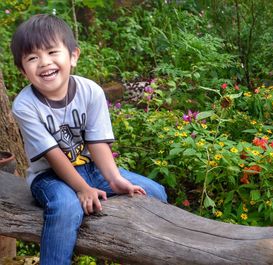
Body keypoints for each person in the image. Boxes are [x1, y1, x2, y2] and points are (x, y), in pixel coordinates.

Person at [10, 14, 167, 265]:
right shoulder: (25, 105)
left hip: (90, 169)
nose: (44, 62)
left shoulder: (90, 91)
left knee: (154, 192)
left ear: (73, 56)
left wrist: (115, 180)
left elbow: (96, 143)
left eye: (52, 52)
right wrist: (82, 189)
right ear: (22, 69)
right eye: (32, 57)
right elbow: (53, 154)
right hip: (49, 177)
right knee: (66, 207)